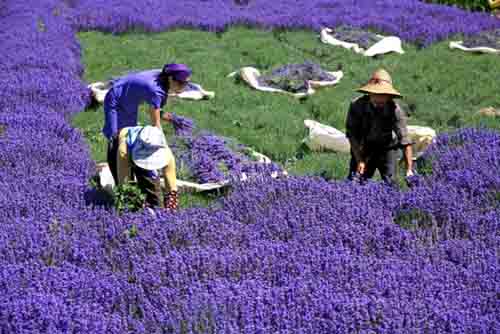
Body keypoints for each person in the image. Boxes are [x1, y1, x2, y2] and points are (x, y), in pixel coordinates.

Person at [102, 63, 191, 207]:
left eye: (186, 83)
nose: (184, 87)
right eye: (181, 83)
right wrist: (126, 195)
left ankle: (143, 188)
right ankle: (130, 189)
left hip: (130, 100)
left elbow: (157, 110)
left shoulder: (163, 80)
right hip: (116, 99)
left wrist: (171, 205)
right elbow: (155, 122)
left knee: (145, 171)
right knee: (114, 138)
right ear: (170, 79)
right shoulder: (156, 90)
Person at [345, 68, 413, 185]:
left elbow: (405, 141)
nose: (379, 98)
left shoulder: (395, 110)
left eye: (383, 95)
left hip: (387, 148)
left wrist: (409, 169)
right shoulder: (357, 106)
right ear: (370, 93)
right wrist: (359, 159)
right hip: (364, 147)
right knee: (356, 182)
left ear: (389, 96)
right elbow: (352, 135)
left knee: (390, 183)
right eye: (376, 94)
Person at [116, 126, 178, 210]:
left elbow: (171, 186)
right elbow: (124, 185)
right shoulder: (123, 151)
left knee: (154, 199)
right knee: (127, 198)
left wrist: (171, 206)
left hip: (140, 148)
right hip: (118, 144)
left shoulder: (166, 153)